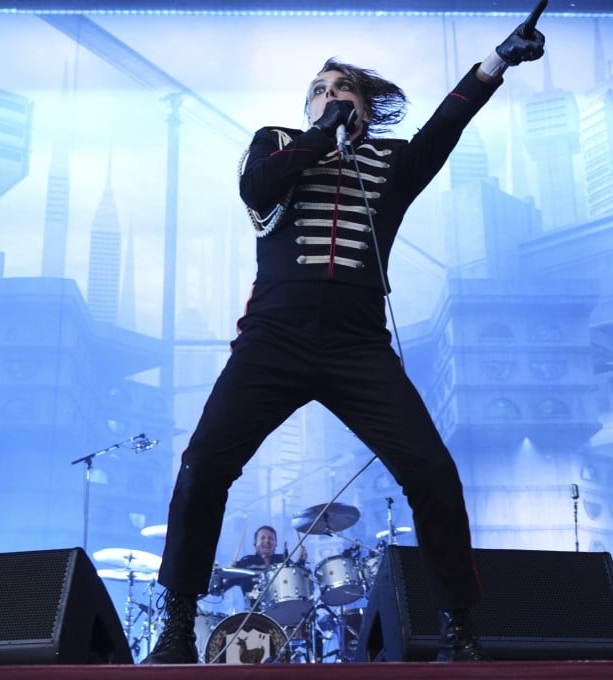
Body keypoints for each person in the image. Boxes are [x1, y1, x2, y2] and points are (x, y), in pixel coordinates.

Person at [141, 8, 546, 665]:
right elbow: (259, 185)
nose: (329, 97)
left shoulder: (391, 163)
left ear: (365, 105)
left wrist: (496, 62)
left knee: (432, 472)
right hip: (273, 338)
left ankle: (462, 629)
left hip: (358, 345)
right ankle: (177, 623)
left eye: (341, 90)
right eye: (320, 92)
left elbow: (447, 124)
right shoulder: (277, 144)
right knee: (203, 466)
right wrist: (321, 134)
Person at [231, 525, 307, 571]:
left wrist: (301, 561)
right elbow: (221, 588)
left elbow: (296, 574)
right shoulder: (246, 561)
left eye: (270, 538)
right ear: (255, 544)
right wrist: (228, 573)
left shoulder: (283, 559)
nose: (267, 541)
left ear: (275, 544)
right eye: (263, 538)